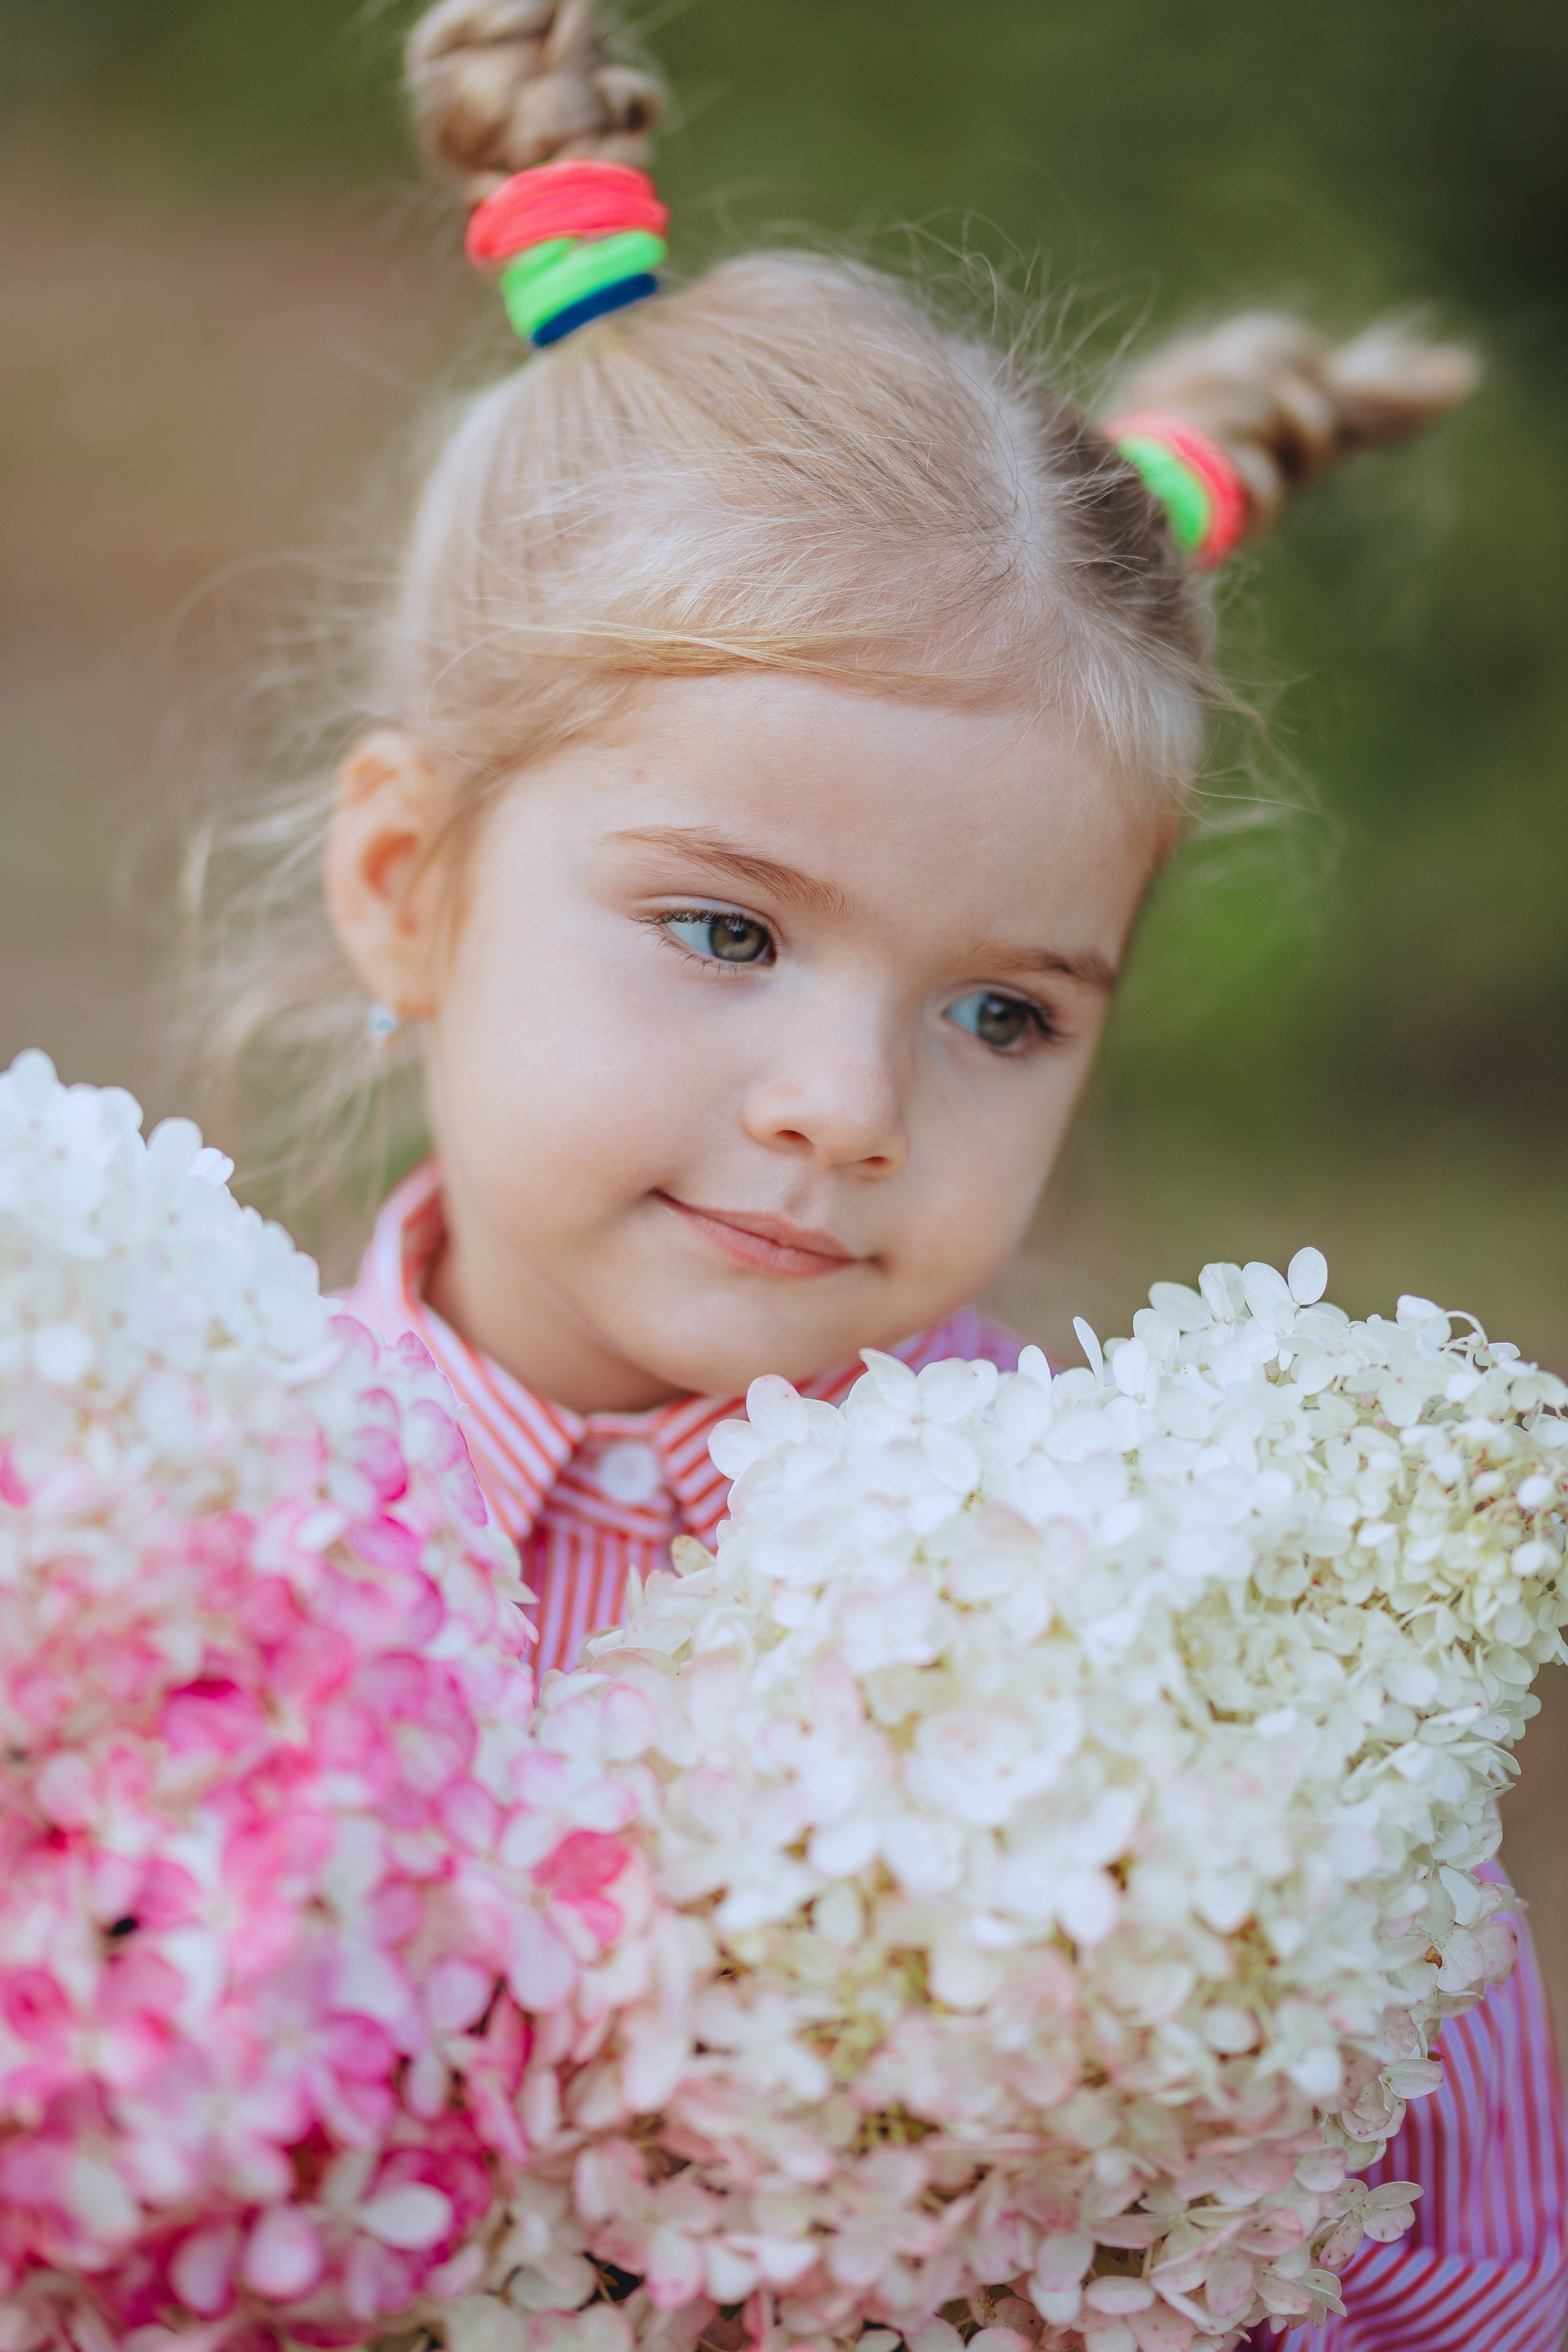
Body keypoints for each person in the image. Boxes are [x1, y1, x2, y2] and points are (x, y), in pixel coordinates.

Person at [195, 3, 1568, 2345]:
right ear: (408, 882)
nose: (852, 1100)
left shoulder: (1197, 1657)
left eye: (1001, 1010)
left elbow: (1468, 2266)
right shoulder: (169, 1541)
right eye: (724, 930)